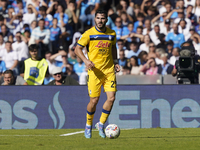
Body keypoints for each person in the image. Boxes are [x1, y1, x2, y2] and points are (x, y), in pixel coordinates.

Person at [75, 9, 120, 139]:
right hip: (94, 72)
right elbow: (77, 49)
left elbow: (113, 47)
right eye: (98, 18)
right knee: (94, 101)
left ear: (106, 20)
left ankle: (100, 124)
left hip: (109, 70)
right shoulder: (89, 34)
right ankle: (88, 125)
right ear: (95, 19)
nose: (100, 21)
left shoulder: (112, 33)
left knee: (111, 98)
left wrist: (116, 61)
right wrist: (86, 60)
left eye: (103, 18)